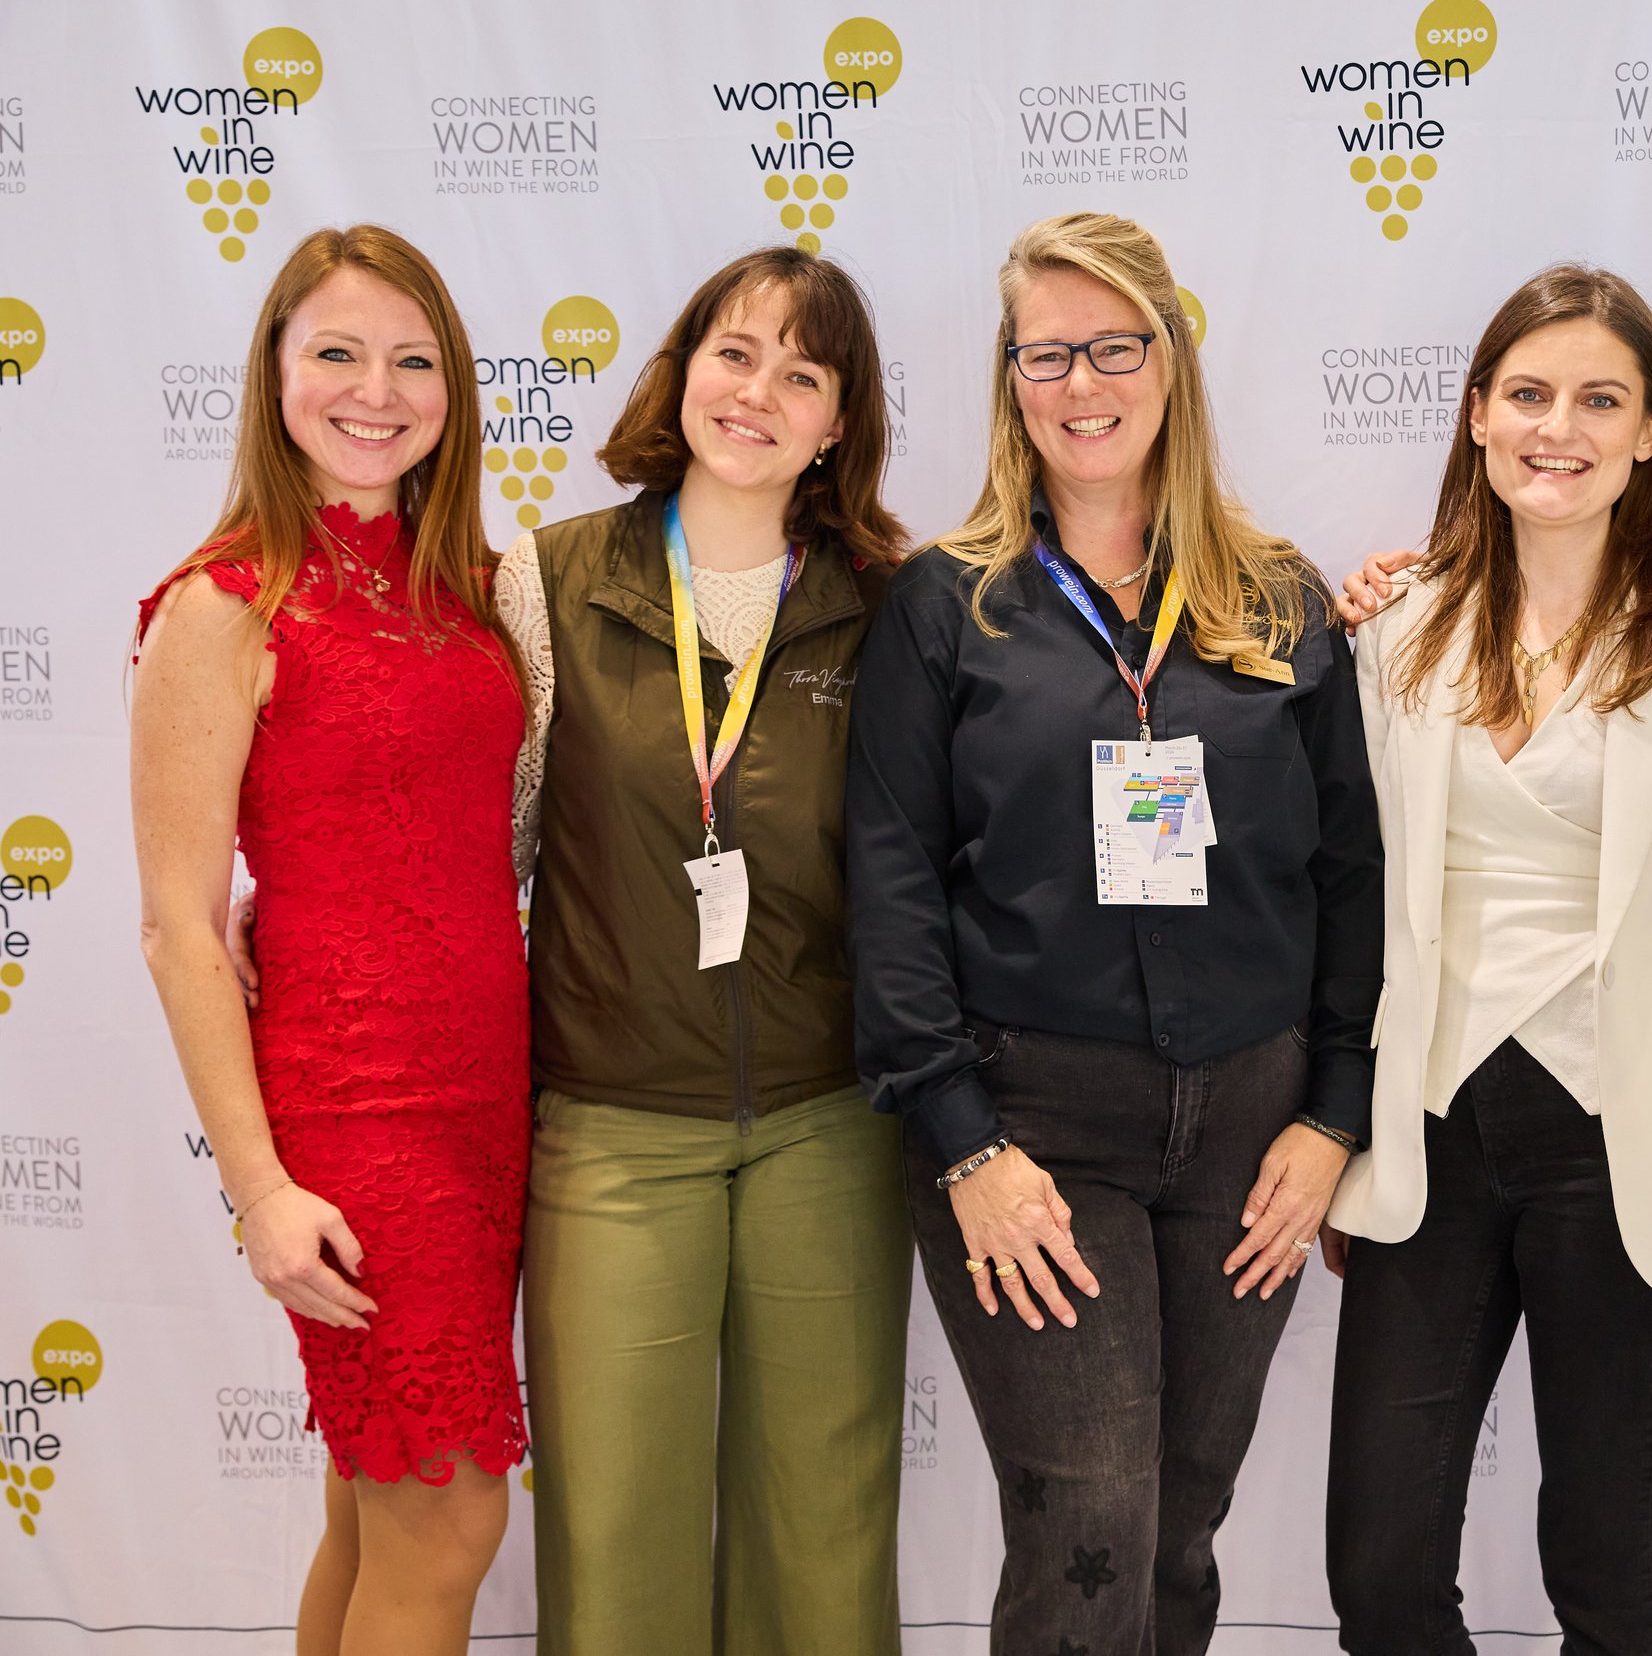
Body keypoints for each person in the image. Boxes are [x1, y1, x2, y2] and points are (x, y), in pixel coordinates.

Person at [847, 210, 1384, 1656]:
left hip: (1253, 1135)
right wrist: (960, 1139)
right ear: (1009, 380)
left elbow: (1353, 873)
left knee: (1183, 1516)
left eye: (1114, 346)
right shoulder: (948, 608)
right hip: (1030, 1127)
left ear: (1172, 360)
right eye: (1046, 355)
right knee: (1088, 1520)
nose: (1082, 384)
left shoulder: (1278, 600)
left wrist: (1336, 1112)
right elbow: (889, 884)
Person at [1320, 264, 1652, 1654]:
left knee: (1598, 1561)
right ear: (1478, 416)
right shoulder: (1396, 629)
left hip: (1628, 1144)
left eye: (1602, 398)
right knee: (1379, 1568)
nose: (1561, 426)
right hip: (1431, 1141)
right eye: (1529, 393)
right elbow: (1356, 911)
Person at [508, 248, 913, 1655]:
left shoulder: (888, 601)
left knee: (827, 1535)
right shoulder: (549, 576)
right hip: (615, 1126)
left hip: (829, 1121)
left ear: (838, 425)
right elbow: (479, 841)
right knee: (617, 1537)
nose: (760, 393)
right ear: (683, 370)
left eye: (804, 374)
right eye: (736, 354)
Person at [133, 224, 528, 1656]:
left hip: (493, 1100)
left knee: (374, 1512)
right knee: (451, 1516)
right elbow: (179, 928)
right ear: (275, 375)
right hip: (357, 1115)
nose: (379, 390)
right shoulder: (222, 603)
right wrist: (258, 1191)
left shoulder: (462, 588)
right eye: (339, 354)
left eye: (414, 360)